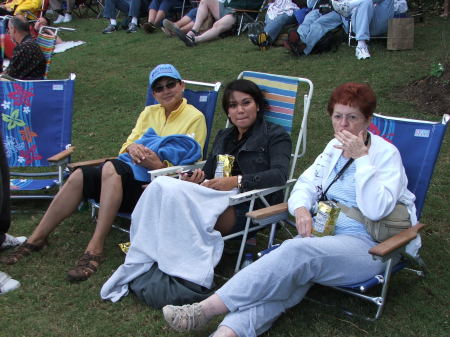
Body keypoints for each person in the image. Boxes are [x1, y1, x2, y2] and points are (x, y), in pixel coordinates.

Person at [161, 82, 418, 336]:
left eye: (352, 118)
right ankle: (225, 334)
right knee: (281, 282)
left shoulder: (385, 155)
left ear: (367, 120)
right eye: (338, 117)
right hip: (322, 235)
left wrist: (361, 159)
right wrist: (302, 210)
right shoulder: (333, 149)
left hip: (368, 246)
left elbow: (376, 209)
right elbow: (305, 185)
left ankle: (204, 310)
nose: (343, 125)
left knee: (295, 251)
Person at [2, 64, 207, 282]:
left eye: (171, 84)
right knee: (81, 174)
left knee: (111, 167)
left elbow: (189, 164)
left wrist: (156, 164)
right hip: (126, 177)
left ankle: (95, 248)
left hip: (155, 187)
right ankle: (37, 238)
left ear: (181, 85)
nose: (165, 90)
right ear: (153, 93)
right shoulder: (149, 112)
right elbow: (127, 144)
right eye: (158, 88)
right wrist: (132, 148)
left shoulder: (195, 117)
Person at [100, 79, 292, 309]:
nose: (239, 110)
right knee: (162, 188)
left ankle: (178, 269)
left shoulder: (276, 135)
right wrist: (196, 178)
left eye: (246, 103)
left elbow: (279, 176)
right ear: (227, 111)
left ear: (258, 105)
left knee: (164, 189)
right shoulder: (224, 136)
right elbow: (208, 171)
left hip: (247, 204)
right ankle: (154, 259)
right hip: (213, 196)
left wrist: (236, 181)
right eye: (232, 105)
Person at [163, 0, 263, 47]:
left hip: (240, 14)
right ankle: (193, 31)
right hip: (229, 8)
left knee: (217, 25)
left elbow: (248, 4)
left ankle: (195, 40)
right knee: (205, 1)